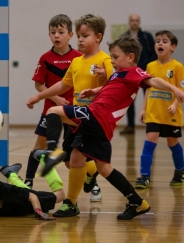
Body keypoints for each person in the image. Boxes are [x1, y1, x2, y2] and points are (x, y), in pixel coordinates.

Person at [26, 35, 184, 219]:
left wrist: (175, 89)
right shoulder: (119, 75)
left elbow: (153, 81)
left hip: (97, 116)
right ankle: (138, 202)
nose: (113, 61)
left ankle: (52, 151)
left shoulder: (134, 72)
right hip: (98, 120)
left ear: (130, 57)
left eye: (116, 57)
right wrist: (95, 90)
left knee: (54, 111)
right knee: (100, 166)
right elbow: (111, 88)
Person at [30, 14, 114, 204]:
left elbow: (116, 84)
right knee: (71, 162)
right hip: (75, 115)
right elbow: (62, 85)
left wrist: (103, 80)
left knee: (78, 157)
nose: (80, 40)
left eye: (84, 36)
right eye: (79, 36)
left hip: (93, 117)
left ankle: (71, 202)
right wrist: (39, 96)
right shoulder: (77, 62)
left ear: (98, 37)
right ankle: (89, 173)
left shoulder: (105, 60)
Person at [24, 14, 82, 188]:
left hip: (73, 111)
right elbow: (38, 85)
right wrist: (55, 98)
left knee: (73, 156)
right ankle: (28, 180)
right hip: (50, 110)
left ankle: (92, 182)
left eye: (61, 32)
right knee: (40, 145)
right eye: (53, 32)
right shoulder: (45, 58)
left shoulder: (79, 58)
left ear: (70, 35)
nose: (56, 35)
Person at [135, 30, 184, 189]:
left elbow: (180, 91)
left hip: (171, 114)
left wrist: (175, 104)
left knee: (172, 143)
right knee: (149, 141)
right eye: (157, 41)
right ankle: (144, 176)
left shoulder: (177, 67)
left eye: (164, 41)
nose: (160, 44)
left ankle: (180, 171)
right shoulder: (150, 66)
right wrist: (143, 109)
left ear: (173, 47)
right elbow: (148, 89)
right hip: (153, 113)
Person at [0, 155, 65, 220]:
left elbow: (32, 196)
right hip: (19, 193)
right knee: (21, 190)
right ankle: (11, 173)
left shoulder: (7, 191)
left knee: (60, 195)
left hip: (30, 203)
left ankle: (45, 160)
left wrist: (38, 211)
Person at [120, 13, 157, 134]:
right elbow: (120, 57)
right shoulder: (123, 38)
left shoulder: (147, 37)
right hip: (131, 74)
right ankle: (130, 126)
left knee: (150, 99)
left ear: (139, 22)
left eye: (136, 20)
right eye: (132, 20)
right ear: (129, 22)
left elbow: (154, 54)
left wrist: (149, 69)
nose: (134, 22)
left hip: (145, 73)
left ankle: (151, 124)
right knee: (129, 101)